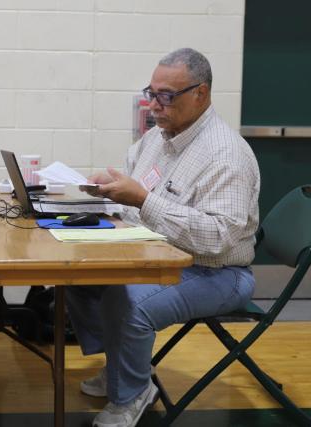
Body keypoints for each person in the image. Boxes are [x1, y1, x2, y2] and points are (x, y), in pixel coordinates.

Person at [66, 48, 260, 427]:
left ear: (200, 94)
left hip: (216, 272)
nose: (154, 105)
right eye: (151, 93)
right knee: (79, 278)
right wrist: (110, 186)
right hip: (158, 254)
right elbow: (134, 180)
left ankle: (132, 394)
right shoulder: (160, 135)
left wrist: (142, 198)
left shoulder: (226, 155)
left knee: (129, 301)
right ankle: (122, 369)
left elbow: (218, 238)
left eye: (166, 96)